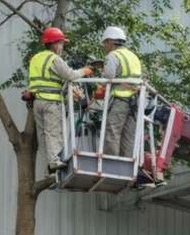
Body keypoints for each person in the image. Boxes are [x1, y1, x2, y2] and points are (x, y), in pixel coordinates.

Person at [28, 27, 93, 173]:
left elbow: (44, 80)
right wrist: (85, 71)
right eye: (61, 44)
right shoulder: (54, 59)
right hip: (51, 102)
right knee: (53, 132)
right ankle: (55, 161)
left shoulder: (35, 59)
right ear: (55, 44)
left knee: (43, 134)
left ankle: (49, 164)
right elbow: (70, 75)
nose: (62, 47)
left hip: (38, 102)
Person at [97, 26, 143, 159]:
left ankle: (110, 164)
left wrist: (101, 72)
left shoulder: (113, 56)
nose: (105, 46)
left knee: (112, 131)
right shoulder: (133, 56)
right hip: (135, 101)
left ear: (111, 41)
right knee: (128, 135)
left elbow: (109, 77)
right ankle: (126, 164)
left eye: (105, 43)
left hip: (120, 99)